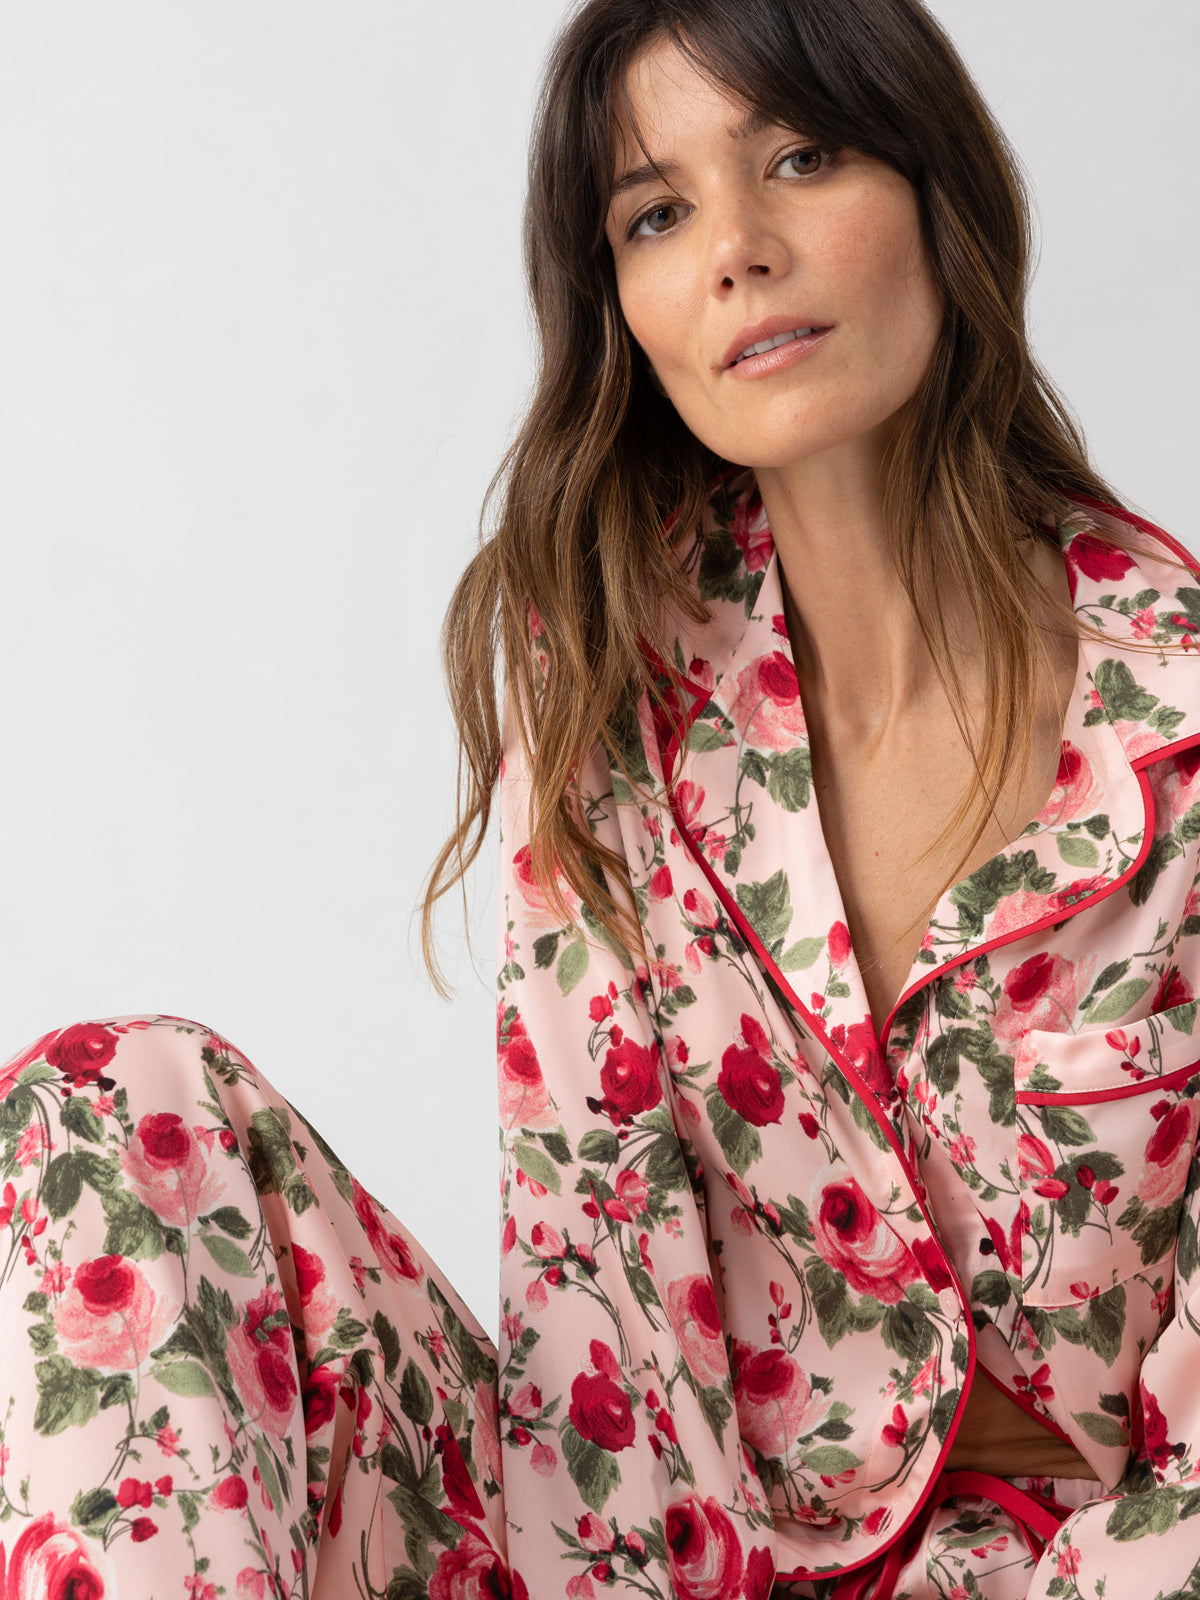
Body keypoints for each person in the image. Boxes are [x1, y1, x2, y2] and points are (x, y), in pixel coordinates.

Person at [1, 1, 1198, 1597]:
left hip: (1098, 1566)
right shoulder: (614, 686)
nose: (738, 249)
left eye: (803, 154)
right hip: (669, 1554)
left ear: (938, 191)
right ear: (621, 300)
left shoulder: (1174, 710)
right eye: (659, 211)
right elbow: (596, 1292)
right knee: (110, 1106)